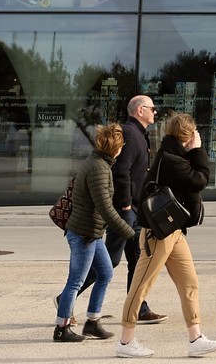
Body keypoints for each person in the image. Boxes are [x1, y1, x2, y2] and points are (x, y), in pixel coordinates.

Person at [117, 113, 216, 359]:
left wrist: (192, 151)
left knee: (189, 283)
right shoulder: (171, 160)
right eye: (194, 133)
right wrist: (198, 150)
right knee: (141, 287)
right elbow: (199, 180)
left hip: (174, 231)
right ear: (188, 136)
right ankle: (125, 342)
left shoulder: (175, 156)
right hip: (159, 234)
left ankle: (195, 338)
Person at [79, 94, 165, 324]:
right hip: (126, 210)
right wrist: (126, 203)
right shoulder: (130, 133)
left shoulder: (139, 134)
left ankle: (139, 308)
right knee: (111, 261)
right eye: (152, 108)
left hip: (135, 209)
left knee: (137, 259)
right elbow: (121, 172)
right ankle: (67, 297)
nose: (155, 112)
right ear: (139, 110)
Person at [54, 123, 139, 343]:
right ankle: (61, 328)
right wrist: (131, 233)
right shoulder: (99, 169)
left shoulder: (99, 163)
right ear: (116, 148)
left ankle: (92, 322)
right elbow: (106, 208)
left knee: (106, 273)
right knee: (75, 281)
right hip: (84, 234)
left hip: (92, 232)